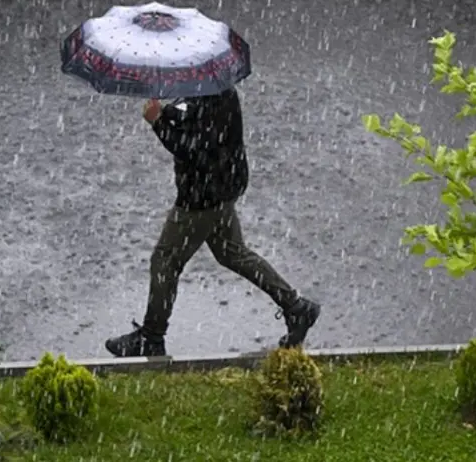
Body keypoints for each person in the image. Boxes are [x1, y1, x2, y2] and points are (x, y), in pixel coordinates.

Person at [105, 87, 321, 358]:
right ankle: (297, 308)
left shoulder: (209, 96)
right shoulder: (212, 88)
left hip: (202, 197)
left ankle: (151, 336)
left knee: (165, 260)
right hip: (221, 188)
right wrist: (167, 112)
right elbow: (190, 118)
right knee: (231, 252)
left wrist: (158, 122)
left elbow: (193, 149)